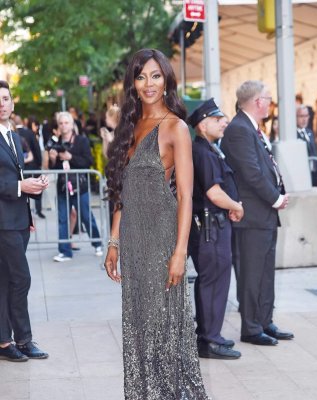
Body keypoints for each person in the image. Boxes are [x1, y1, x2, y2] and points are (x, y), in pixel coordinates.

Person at [104, 49, 209, 399]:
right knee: (139, 327)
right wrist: (114, 242)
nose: (148, 83)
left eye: (155, 76)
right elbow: (122, 191)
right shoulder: (129, 125)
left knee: (163, 328)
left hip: (162, 240)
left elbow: (185, 196)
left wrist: (180, 253)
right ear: (132, 83)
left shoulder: (176, 127)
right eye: (141, 76)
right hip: (133, 242)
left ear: (166, 80)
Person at [221, 80, 294, 346]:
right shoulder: (239, 130)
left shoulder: (251, 128)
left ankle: (265, 321)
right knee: (251, 273)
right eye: (268, 98)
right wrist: (275, 198)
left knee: (264, 272)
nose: (271, 102)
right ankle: (251, 328)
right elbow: (251, 173)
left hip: (262, 214)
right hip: (251, 216)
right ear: (257, 101)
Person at [187, 99, 243, 360]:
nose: (224, 122)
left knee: (213, 282)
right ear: (202, 123)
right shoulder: (203, 152)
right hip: (210, 228)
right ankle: (209, 340)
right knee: (213, 282)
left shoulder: (207, 149)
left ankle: (210, 336)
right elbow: (214, 192)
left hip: (213, 226)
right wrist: (236, 206)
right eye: (218, 118)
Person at [0, 80, 49, 362]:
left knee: (7, 280)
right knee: (21, 279)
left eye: (5, 98)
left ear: (12, 103)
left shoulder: (15, 136)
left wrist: (33, 188)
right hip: (3, 223)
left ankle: (6, 341)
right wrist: (21, 187)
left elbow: (15, 175)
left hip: (18, 219)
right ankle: (24, 339)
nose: (1, 103)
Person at [48, 111, 103, 262]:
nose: (63, 125)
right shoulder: (55, 142)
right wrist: (52, 160)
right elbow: (53, 169)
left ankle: (97, 243)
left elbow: (88, 161)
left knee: (86, 216)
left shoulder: (81, 141)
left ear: (72, 125)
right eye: (61, 123)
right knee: (63, 219)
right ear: (58, 126)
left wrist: (70, 157)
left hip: (80, 186)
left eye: (66, 122)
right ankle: (65, 251)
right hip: (63, 187)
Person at [296, 105, 317, 187]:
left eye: (306, 116)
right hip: (303, 175)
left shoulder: (310, 132)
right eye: (301, 116)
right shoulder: (294, 135)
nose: (304, 119)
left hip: (314, 173)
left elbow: (315, 153)